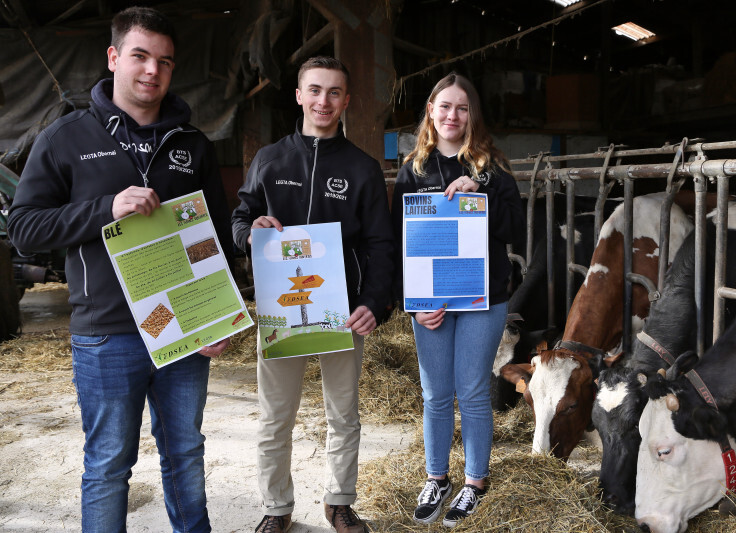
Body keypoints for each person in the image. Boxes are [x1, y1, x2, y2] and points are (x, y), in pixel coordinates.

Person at [7, 7, 232, 532]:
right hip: (107, 334)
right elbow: (24, 228)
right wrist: (105, 208)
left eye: (165, 61)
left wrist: (216, 316)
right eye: (140, 56)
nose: (152, 70)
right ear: (113, 58)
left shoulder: (193, 145)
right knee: (108, 465)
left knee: (186, 453)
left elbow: (215, 239)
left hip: (183, 331)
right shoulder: (66, 138)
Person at [231, 56, 394, 533]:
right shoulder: (270, 159)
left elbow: (380, 243)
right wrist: (249, 233)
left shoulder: (362, 168)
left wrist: (373, 303)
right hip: (281, 310)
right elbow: (240, 217)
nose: (324, 101)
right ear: (299, 95)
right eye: (315, 90)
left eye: (334, 92)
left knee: (343, 414)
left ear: (346, 101)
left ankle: (339, 501)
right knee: (274, 416)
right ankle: (276, 506)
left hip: (340, 310)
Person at [391, 72, 523, 528]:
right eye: (444, 106)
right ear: (431, 111)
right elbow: (398, 242)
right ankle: (437, 478)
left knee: (472, 390)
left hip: (482, 297)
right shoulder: (414, 171)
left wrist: (481, 194)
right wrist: (411, 303)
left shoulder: (492, 168)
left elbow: (516, 228)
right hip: (430, 300)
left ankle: (475, 482)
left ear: (472, 115)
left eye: (461, 108)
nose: (452, 115)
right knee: (435, 393)